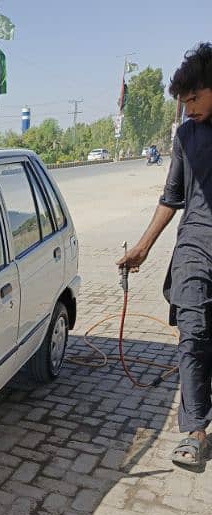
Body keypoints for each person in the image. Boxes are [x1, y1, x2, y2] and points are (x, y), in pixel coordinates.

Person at [118, 42, 212, 467]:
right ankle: (194, 432)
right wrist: (142, 247)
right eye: (183, 101)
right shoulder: (186, 136)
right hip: (194, 245)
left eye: (195, 98)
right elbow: (171, 197)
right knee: (191, 335)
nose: (188, 108)